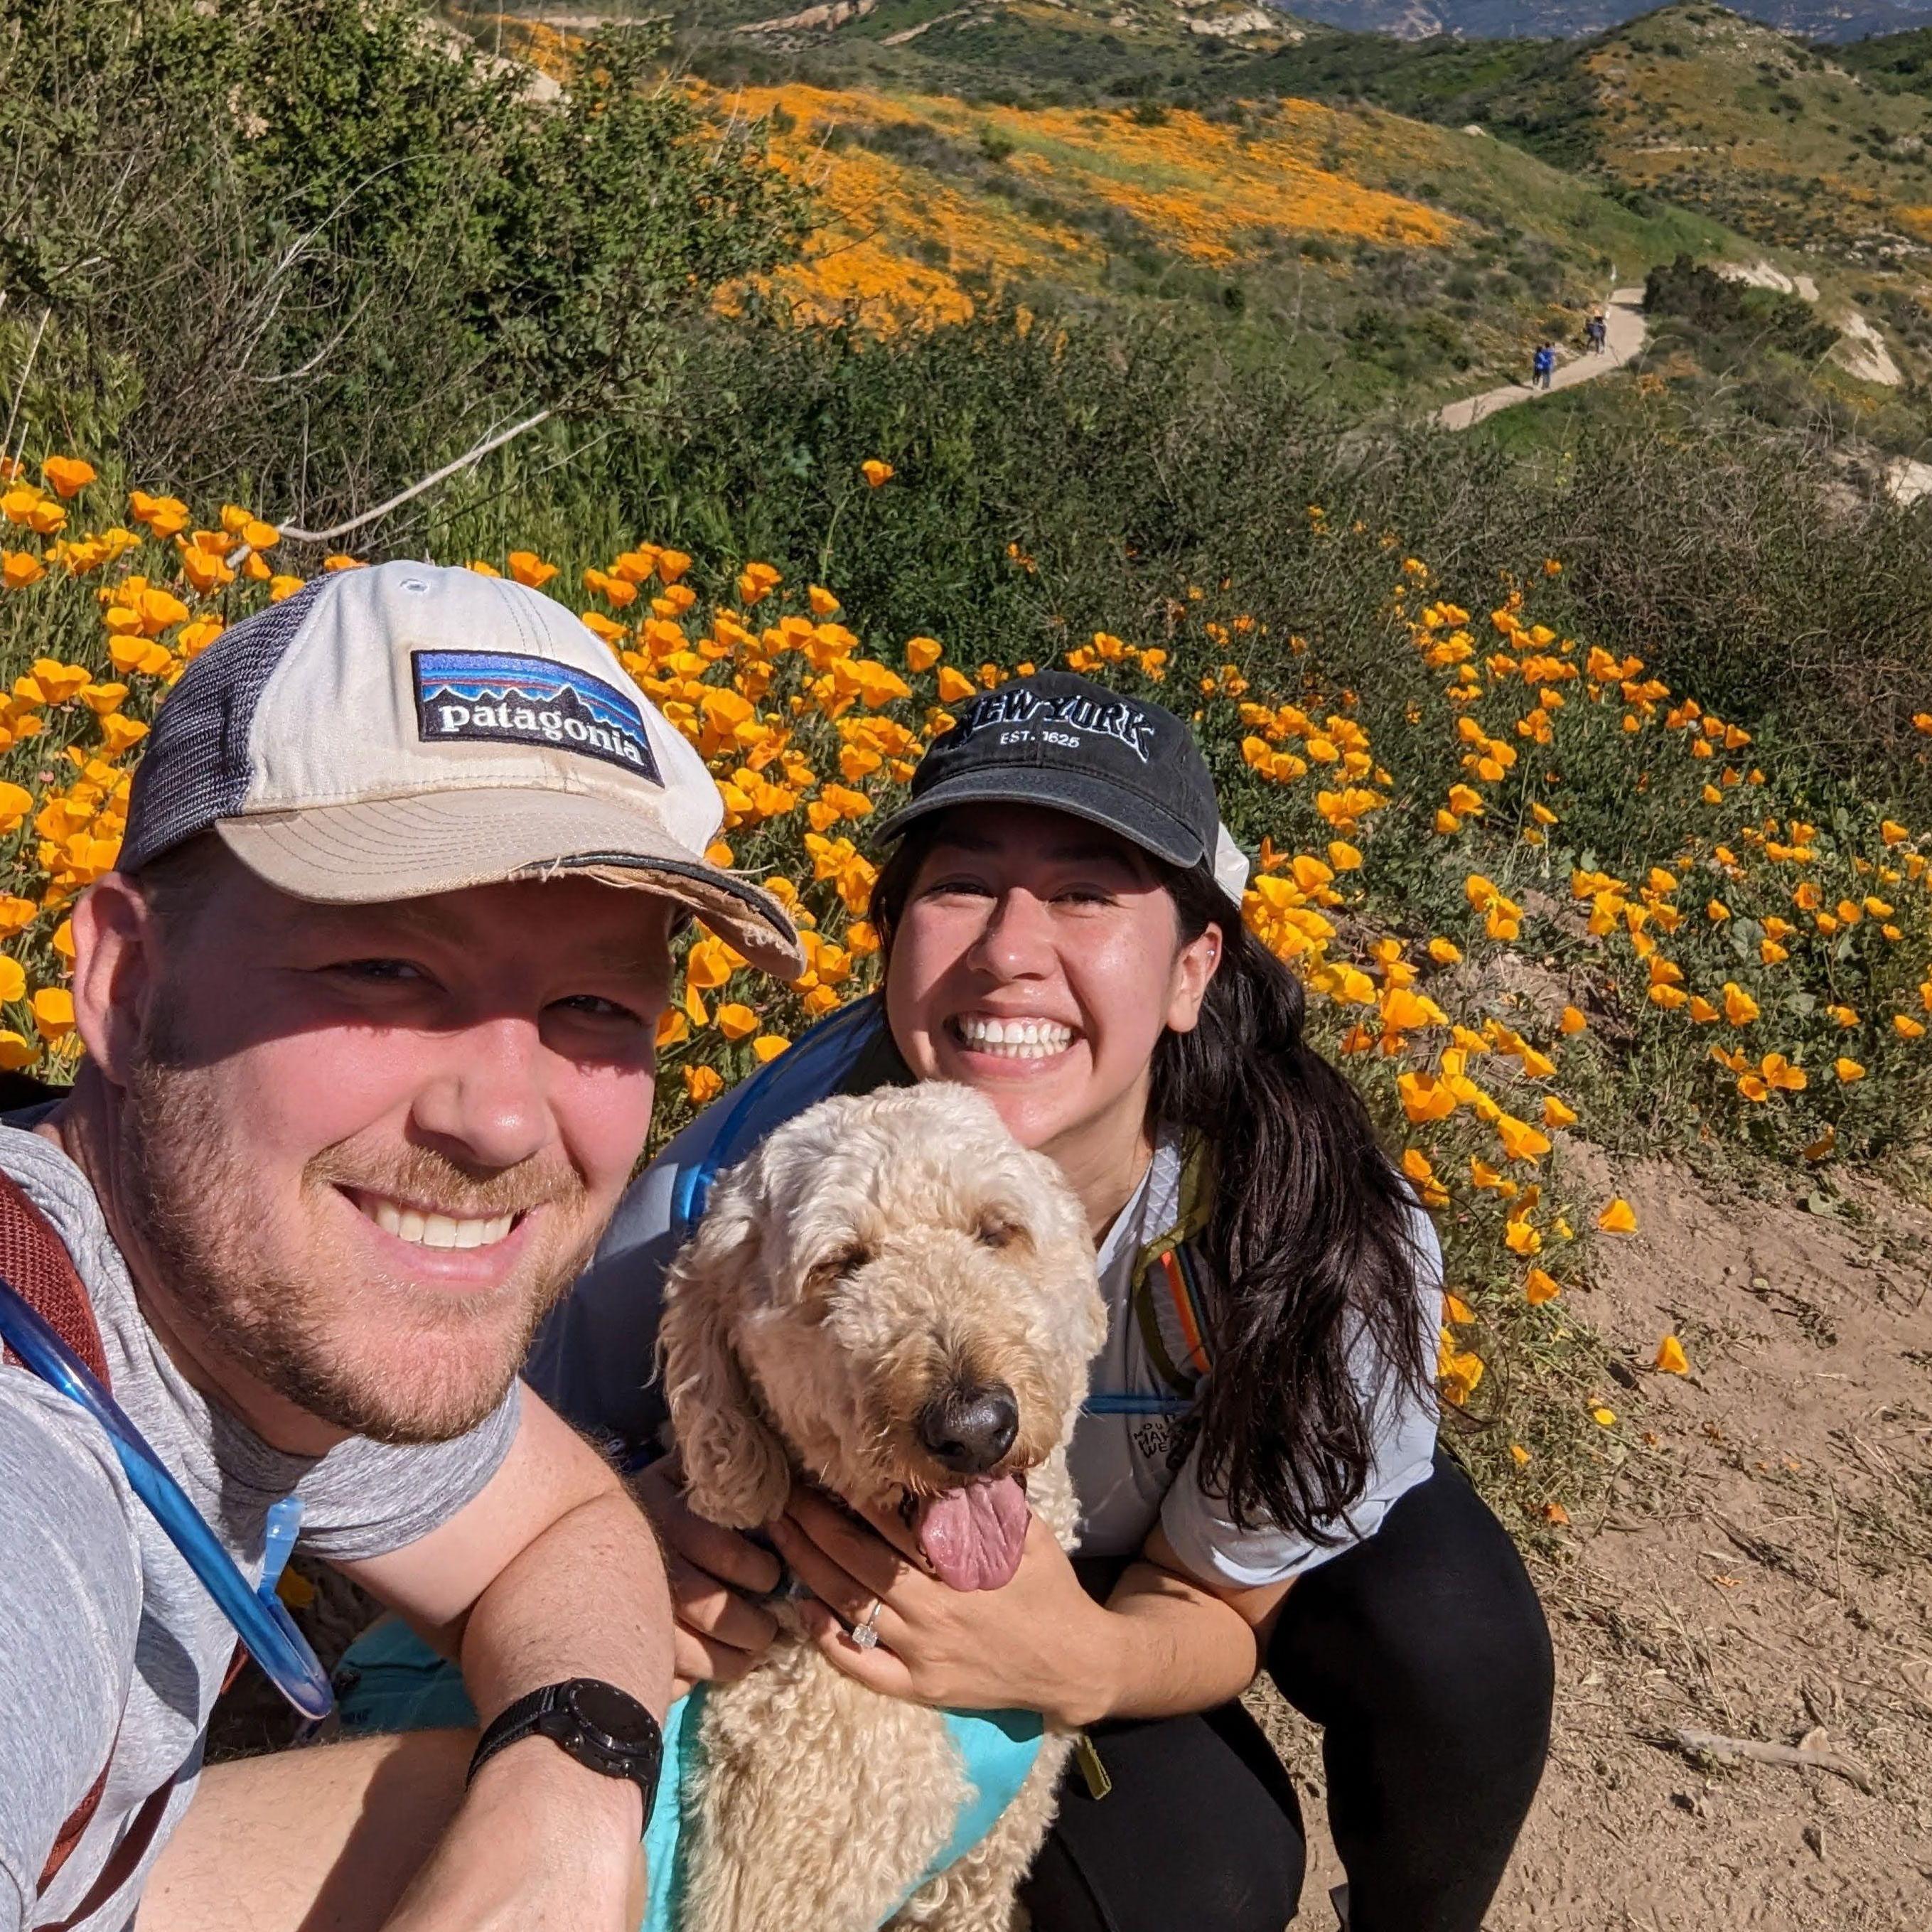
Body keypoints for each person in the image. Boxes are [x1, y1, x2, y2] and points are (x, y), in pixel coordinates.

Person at [530, 670, 1555, 1931]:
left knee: (1457, 1645)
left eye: (1083, 892)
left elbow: (1213, 1607)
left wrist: (1079, 1656)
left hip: (1173, 1548)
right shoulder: (745, 1195)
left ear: (1192, 968)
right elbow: (532, 1429)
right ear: (890, 940)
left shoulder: (1316, 1237)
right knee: (1207, 1879)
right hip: (912, 1527)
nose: (1010, 951)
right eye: (959, 886)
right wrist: (631, 1521)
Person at [0, 562, 802, 1932]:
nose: (498, 1117)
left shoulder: (252, 1307)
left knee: (477, 1796)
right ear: (123, 985)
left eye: (594, 1000)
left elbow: (559, 1525)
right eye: (384, 969)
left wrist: (573, 1782)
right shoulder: (41, 1501)